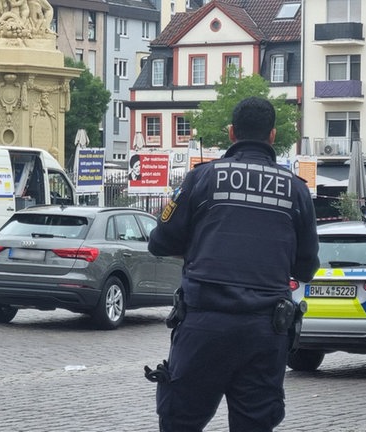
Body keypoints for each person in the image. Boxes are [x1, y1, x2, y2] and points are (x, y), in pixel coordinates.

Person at [147, 97, 319, 432]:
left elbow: (160, 242)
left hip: (203, 325)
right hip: (265, 330)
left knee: (180, 421)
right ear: (272, 135)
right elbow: (306, 269)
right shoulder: (297, 192)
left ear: (230, 133)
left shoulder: (201, 179)